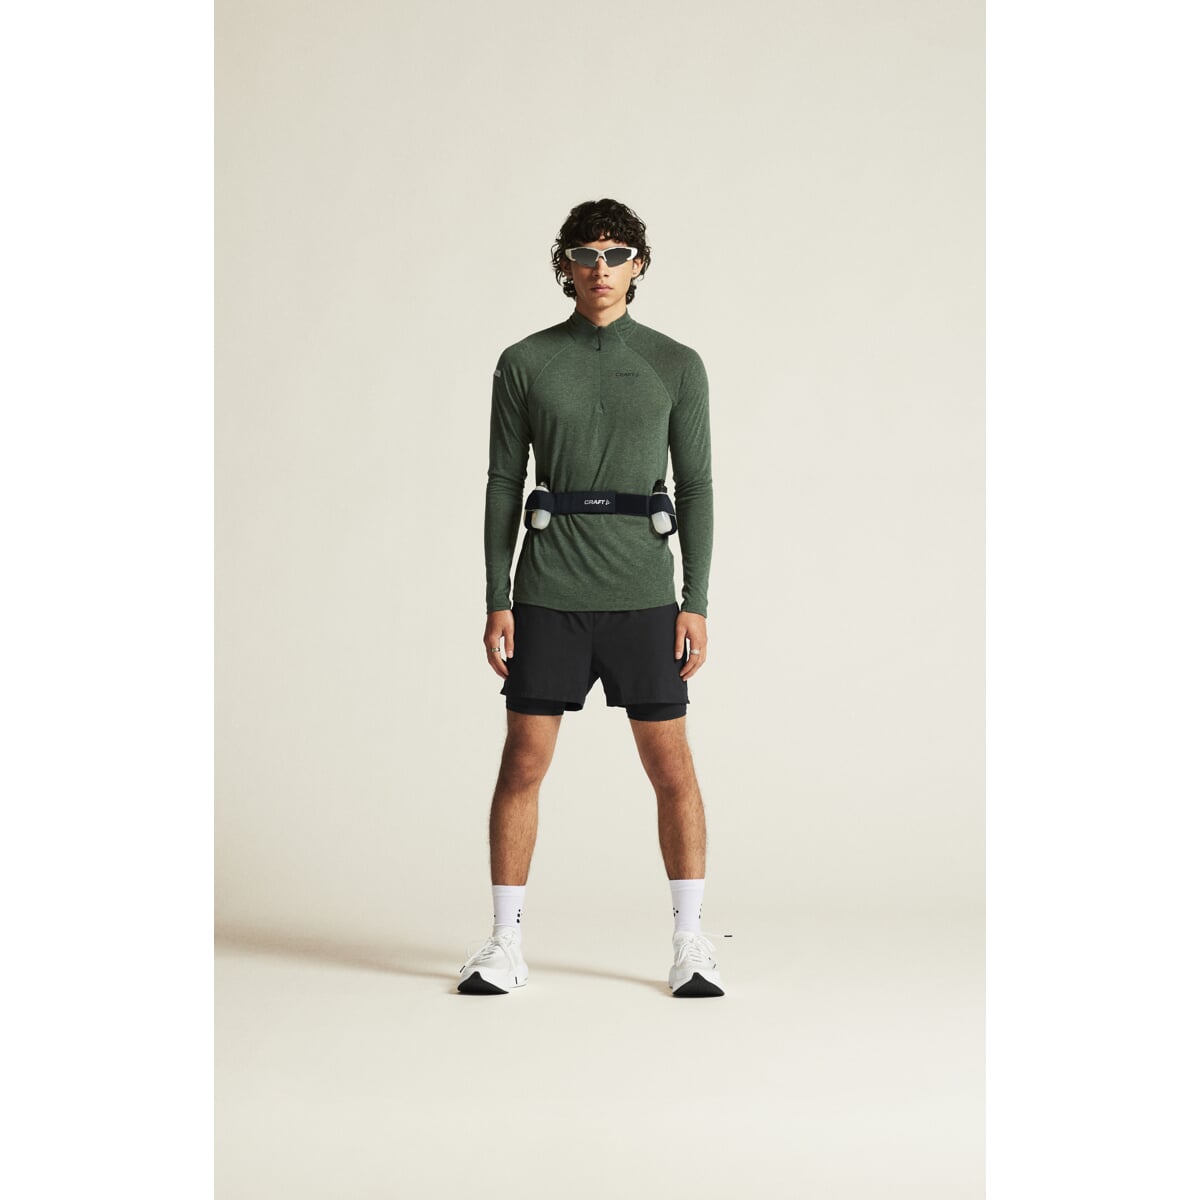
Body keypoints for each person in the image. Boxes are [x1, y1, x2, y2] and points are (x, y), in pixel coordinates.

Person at [457, 197, 724, 998]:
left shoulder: (677, 364)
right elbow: (504, 481)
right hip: (549, 592)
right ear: (565, 266)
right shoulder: (525, 361)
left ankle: (691, 943)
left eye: (615, 254)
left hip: (644, 595)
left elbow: (696, 486)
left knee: (671, 765)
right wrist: (498, 596)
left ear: (637, 266)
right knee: (523, 761)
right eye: (584, 254)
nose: (599, 269)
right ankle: (504, 942)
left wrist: (695, 598)